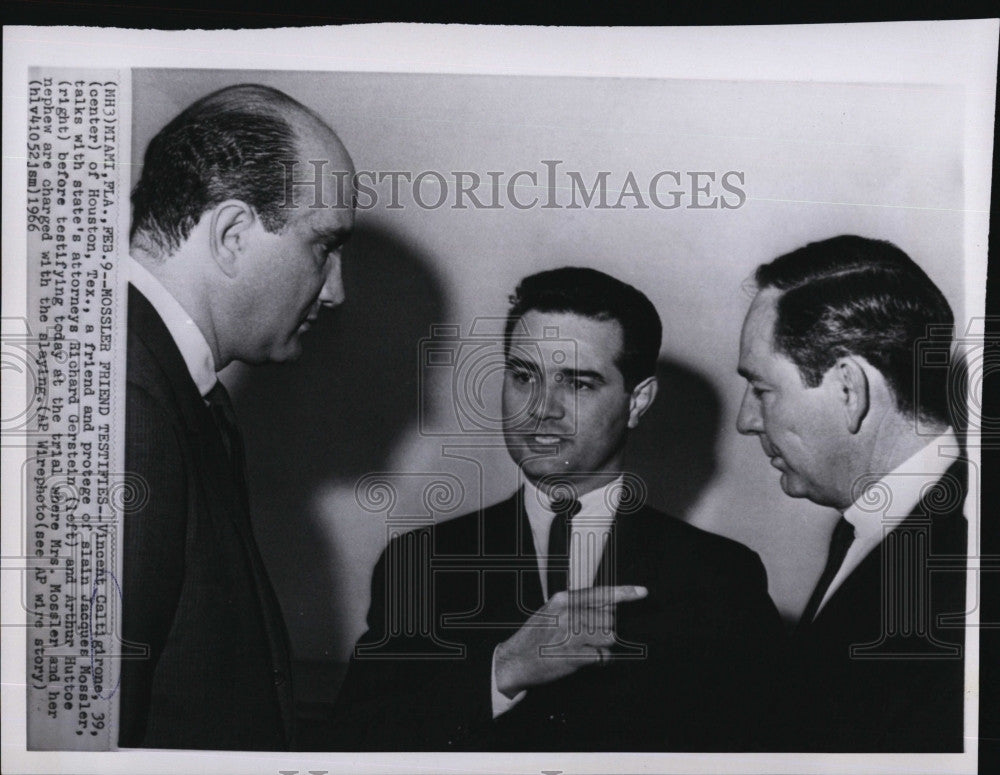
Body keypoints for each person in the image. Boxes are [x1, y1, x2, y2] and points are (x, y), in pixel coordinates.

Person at [329, 267, 784, 751]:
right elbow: (356, 744)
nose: (541, 408)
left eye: (578, 383)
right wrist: (502, 671)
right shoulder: (418, 563)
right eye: (524, 376)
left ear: (638, 401)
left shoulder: (721, 576)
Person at [121, 84, 355, 749]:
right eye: (323, 247)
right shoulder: (132, 407)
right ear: (230, 235)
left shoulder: (162, 385)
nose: (336, 290)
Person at [736, 235, 968, 751]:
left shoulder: (955, 573)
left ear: (849, 390)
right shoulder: (874, 529)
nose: (745, 420)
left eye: (762, 389)